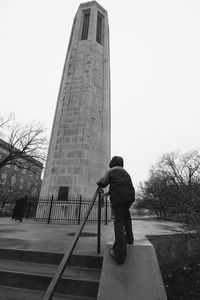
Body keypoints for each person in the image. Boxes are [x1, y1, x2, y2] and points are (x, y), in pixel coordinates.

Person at [97, 156, 135, 264]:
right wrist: (108, 193)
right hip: (129, 197)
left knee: (118, 222)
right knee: (126, 216)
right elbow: (121, 185)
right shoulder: (125, 172)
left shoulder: (111, 171)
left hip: (119, 198)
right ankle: (129, 238)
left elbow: (103, 182)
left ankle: (120, 253)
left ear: (113, 163)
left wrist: (98, 183)